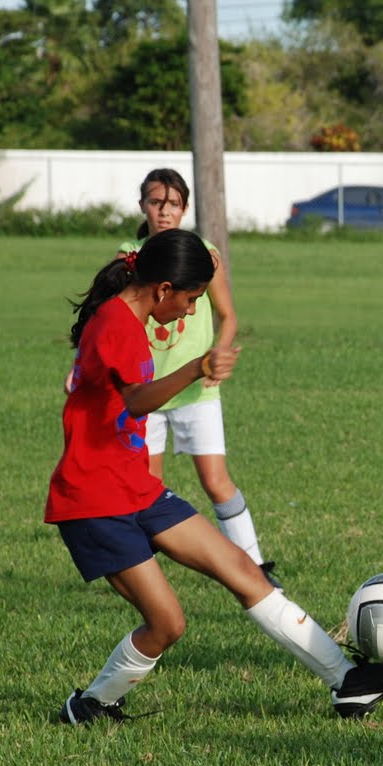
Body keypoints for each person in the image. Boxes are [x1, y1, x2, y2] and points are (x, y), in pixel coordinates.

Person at [47, 229, 383, 723]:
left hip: (136, 487)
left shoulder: (132, 320)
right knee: (167, 624)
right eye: (191, 298)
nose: (190, 310)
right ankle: (92, 704)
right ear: (162, 289)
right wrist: (197, 366)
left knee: (243, 570)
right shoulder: (116, 323)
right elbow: (136, 399)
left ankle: (348, 683)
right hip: (94, 500)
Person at [119, 169, 275, 584]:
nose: (164, 211)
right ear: (142, 207)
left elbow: (228, 316)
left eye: (173, 204)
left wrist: (220, 351)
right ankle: (146, 577)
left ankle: (255, 567)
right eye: (156, 202)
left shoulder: (203, 255)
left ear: (185, 209)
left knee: (216, 481)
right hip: (147, 394)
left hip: (197, 393)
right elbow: (110, 322)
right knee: (147, 490)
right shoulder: (129, 257)